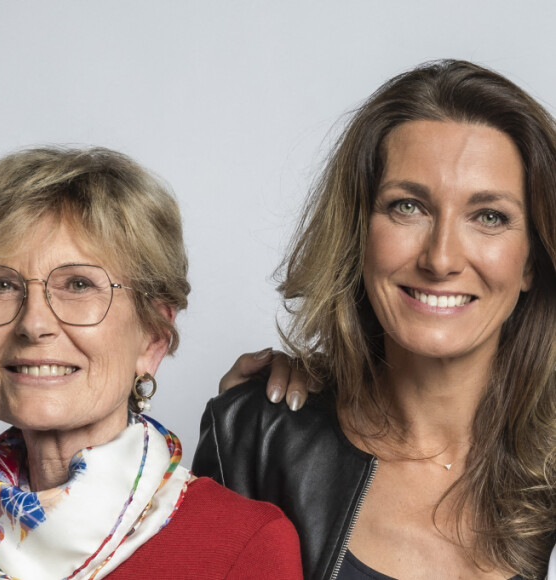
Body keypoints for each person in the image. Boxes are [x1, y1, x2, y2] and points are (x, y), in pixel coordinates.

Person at [193, 59, 556, 580]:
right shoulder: (259, 438)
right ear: (358, 234)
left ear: (531, 260)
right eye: (408, 207)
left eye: (489, 216)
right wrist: (251, 421)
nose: (441, 258)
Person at [0, 147, 302, 579]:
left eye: (78, 284)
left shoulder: (243, 544)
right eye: (1, 285)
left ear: (152, 339)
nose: (33, 324)